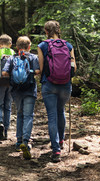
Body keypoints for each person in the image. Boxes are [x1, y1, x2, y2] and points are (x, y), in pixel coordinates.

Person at [37, 20, 76, 163]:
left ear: (46, 31)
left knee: (52, 116)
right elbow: (74, 67)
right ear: (58, 30)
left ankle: (56, 150)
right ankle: (61, 141)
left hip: (49, 84)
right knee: (61, 111)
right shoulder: (68, 45)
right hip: (65, 84)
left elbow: (41, 69)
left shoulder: (42, 46)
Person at [3, 36, 40, 159]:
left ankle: (18, 142)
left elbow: (4, 72)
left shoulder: (13, 58)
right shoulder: (33, 57)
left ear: (17, 47)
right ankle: (26, 141)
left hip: (16, 91)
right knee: (28, 115)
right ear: (29, 46)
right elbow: (38, 71)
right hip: (29, 90)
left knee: (19, 114)